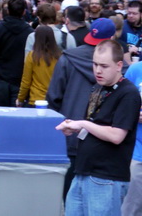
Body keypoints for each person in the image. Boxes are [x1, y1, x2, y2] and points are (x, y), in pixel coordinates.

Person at [58, 40, 140, 216]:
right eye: (95, 64)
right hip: (82, 171)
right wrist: (75, 128)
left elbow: (117, 135)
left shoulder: (128, 93)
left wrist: (83, 124)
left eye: (104, 66)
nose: (98, 70)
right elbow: (97, 125)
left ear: (119, 65)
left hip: (106, 177)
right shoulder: (99, 87)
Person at [48, 16, 119, 197]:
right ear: (112, 38)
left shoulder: (67, 58)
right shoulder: (119, 68)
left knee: (70, 195)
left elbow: (53, 97)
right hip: (104, 140)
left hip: (71, 135)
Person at [0, 0, 33, 107]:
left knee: (0, 112)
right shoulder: (30, 33)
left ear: (8, 11)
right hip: (20, 80)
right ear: (24, 12)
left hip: (0, 79)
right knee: (18, 114)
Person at [120, 48, 142, 216]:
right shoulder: (136, 70)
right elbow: (120, 101)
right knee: (130, 208)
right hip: (137, 151)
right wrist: (134, 112)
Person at [17, 24, 62, 106]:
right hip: (54, 100)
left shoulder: (32, 56)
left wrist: (20, 99)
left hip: (36, 100)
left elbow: (26, 81)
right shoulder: (60, 57)